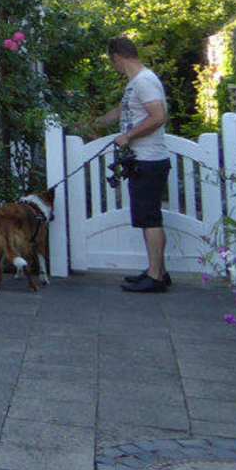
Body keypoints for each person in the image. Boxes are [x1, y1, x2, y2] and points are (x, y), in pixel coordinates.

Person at [88, 36, 172, 293]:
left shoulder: (144, 81)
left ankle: (155, 278)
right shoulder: (136, 83)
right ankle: (157, 271)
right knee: (148, 218)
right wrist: (93, 124)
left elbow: (158, 116)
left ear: (117, 57)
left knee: (150, 219)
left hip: (149, 159)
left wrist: (128, 136)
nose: (113, 66)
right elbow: (122, 111)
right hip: (143, 159)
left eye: (112, 62)